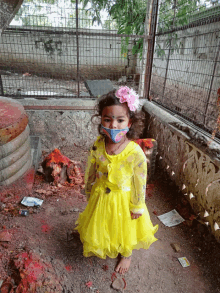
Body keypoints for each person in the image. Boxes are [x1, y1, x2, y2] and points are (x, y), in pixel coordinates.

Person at [75, 86, 158, 275]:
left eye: (120, 120)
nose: (113, 125)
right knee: (104, 222)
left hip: (124, 199)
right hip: (101, 194)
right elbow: (91, 168)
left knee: (125, 228)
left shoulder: (134, 152)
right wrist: (88, 189)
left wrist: (137, 205)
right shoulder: (98, 144)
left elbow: (140, 181)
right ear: (101, 120)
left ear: (130, 121)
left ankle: (126, 254)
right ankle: (108, 241)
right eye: (108, 119)